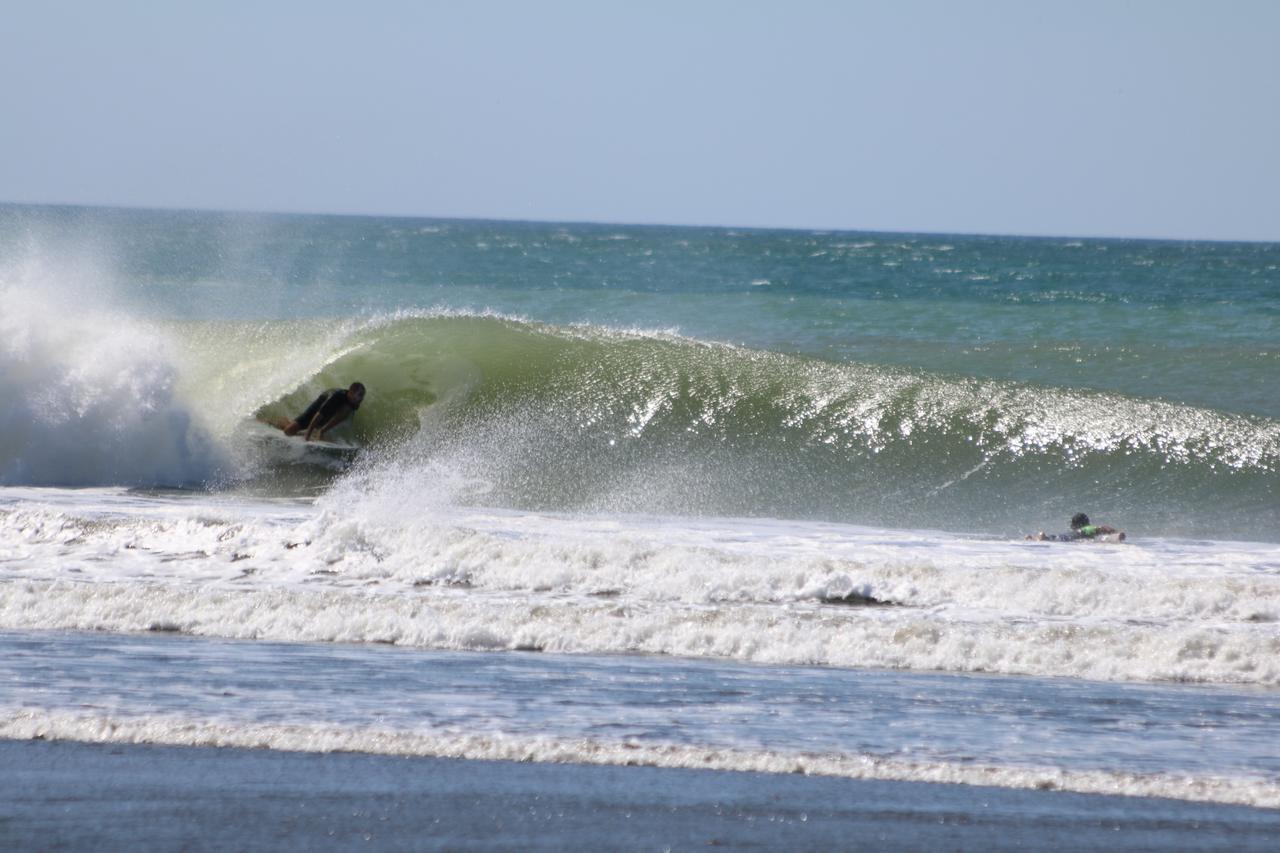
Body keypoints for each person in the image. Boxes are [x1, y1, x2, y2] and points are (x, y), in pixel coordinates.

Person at [280, 382, 366, 441]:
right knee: (288, 431)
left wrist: (322, 431)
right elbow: (318, 415)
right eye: (359, 395)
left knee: (347, 409)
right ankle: (283, 422)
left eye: (362, 395)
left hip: (329, 413)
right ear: (351, 392)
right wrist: (307, 437)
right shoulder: (336, 397)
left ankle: (318, 431)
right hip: (318, 408)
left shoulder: (353, 402)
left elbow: (339, 417)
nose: (361, 398)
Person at [1026, 512, 1125, 542]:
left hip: (1061, 537)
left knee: (1049, 538)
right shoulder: (1085, 529)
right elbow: (1101, 528)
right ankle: (1041, 537)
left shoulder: (1076, 530)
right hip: (1065, 539)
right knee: (1049, 539)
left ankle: (1034, 538)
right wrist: (1117, 533)